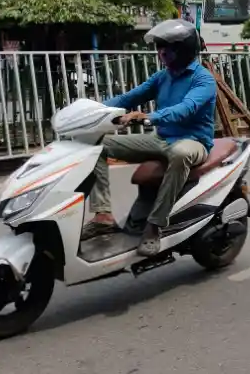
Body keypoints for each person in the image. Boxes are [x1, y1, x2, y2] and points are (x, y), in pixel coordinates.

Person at [82, 19, 217, 257]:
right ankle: (103, 215)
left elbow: (186, 108)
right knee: (96, 144)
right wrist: (90, 111)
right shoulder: (162, 77)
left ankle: (155, 226)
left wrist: (148, 117)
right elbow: (127, 98)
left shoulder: (203, 79)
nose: (161, 52)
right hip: (161, 138)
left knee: (180, 154)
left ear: (184, 49)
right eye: (159, 47)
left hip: (193, 140)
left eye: (167, 47)